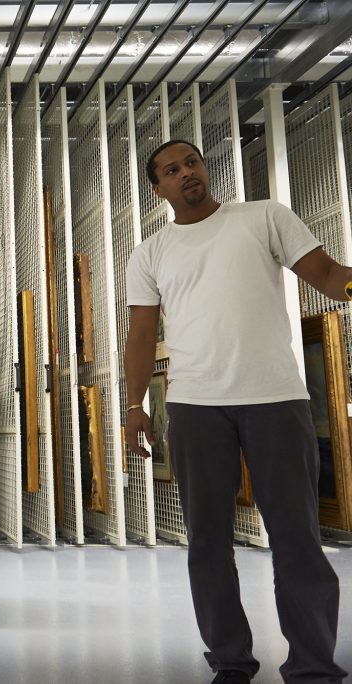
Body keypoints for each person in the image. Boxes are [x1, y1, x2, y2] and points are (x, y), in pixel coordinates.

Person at [124, 139, 349, 684]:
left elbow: (327, 275)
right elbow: (141, 333)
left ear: (205, 168)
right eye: (172, 171)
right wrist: (134, 405)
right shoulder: (150, 252)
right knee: (207, 540)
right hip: (197, 406)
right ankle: (230, 660)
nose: (187, 174)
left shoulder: (264, 217)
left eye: (193, 163)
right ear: (159, 190)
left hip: (276, 398)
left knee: (295, 536)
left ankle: (313, 666)